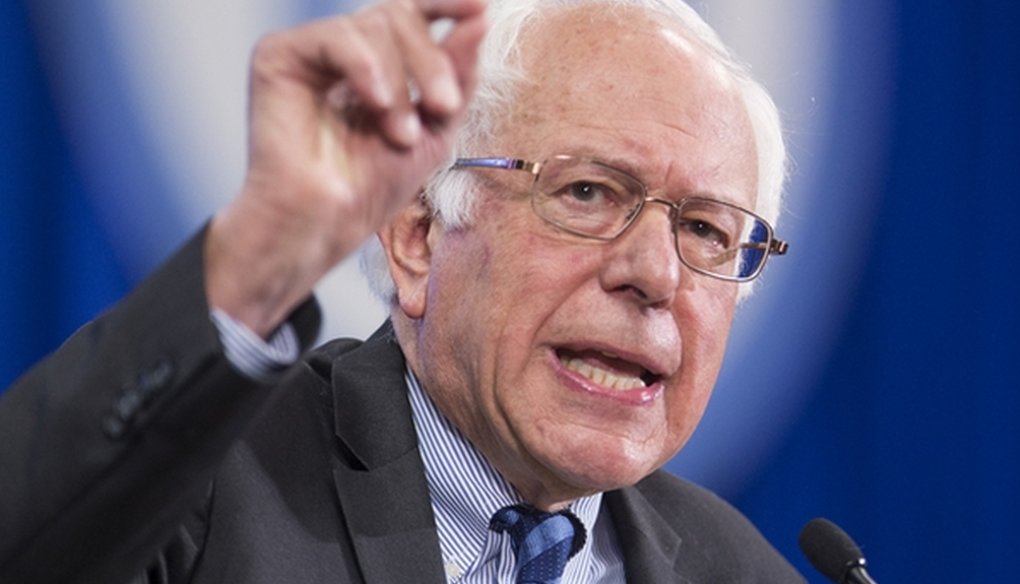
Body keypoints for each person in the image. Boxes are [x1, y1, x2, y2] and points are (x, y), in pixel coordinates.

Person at [0, 0, 801, 582]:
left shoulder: (745, 574)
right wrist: (255, 259)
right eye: (588, 192)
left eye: (705, 230)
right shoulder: (208, 490)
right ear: (418, 235)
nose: (656, 273)